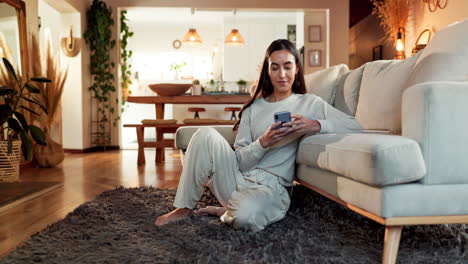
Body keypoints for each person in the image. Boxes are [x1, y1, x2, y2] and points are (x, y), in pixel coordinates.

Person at [155, 39, 362, 231]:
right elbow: (241, 162)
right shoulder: (254, 107)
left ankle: (227, 211)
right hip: (238, 177)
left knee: (246, 218)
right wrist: (263, 142)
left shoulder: (310, 103)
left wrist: (315, 125)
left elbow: (354, 126)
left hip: (271, 189)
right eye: (275, 67)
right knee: (204, 134)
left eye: (287, 66)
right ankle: (184, 208)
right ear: (268, 71)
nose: (282, 74)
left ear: (296, 68)